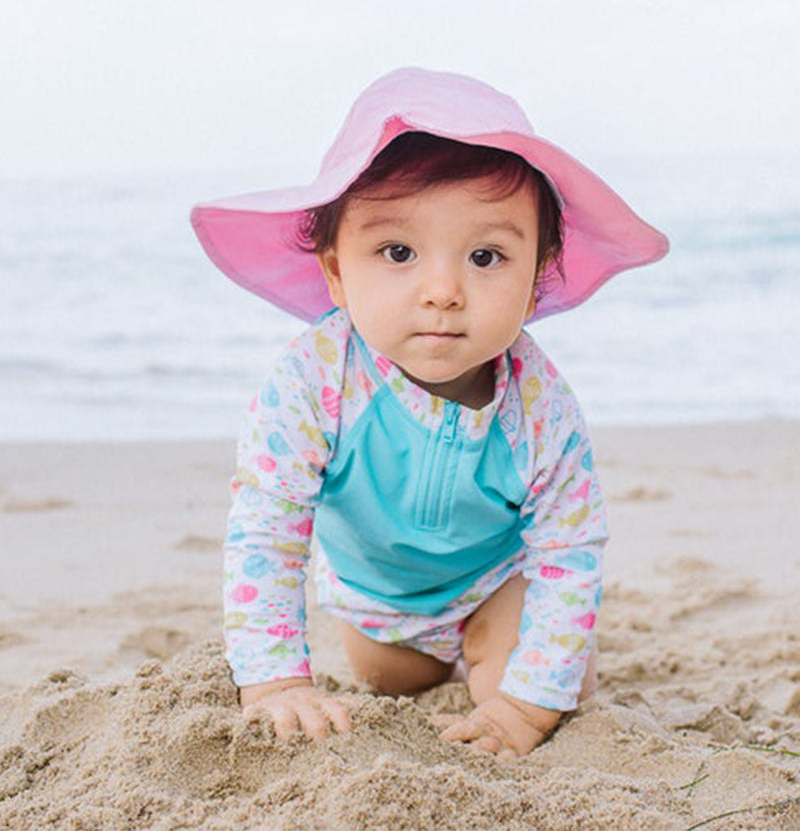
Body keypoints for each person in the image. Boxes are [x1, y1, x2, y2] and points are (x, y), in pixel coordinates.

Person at [191, 67, 668, 757]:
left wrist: (528, 706)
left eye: (485, 256)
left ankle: (498, 658)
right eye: (398, 252)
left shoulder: (541, 404)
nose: (442, 290)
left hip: (497, 583)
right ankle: (417, 650)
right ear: (335, 271)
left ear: (537, 278)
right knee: (392, 680)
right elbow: (268, 528)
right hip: (378, 601)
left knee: (545, 684)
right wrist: (273, 681)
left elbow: (569, 551)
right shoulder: (315, 379)